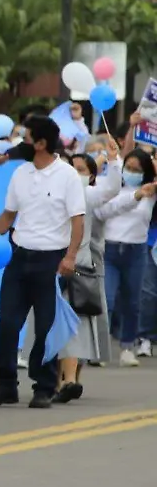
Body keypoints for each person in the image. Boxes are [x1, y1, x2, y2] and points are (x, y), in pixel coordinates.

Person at [0, 116, 85, 409]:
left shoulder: (66, 175)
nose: (21, 145)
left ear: (40, 144)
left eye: (26, 139)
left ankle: (44, 386)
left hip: (52, 261)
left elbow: (78, 222)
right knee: (7, 323)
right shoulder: (21, 174)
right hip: (19, 256)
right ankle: (5, 385)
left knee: (46, 327)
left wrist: (70, 257)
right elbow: (8, 215)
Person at [54, 147, 121, 400]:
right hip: (49, 267)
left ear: (92, 177)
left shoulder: (87, 195)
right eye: (72, 167)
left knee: (74, 326)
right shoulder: (55, 191)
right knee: (56, 326)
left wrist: (114, 159)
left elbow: (114, 188)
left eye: (81, 170)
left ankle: (69, 381)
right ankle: (61, 381)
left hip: (77, 269)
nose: (74, 173)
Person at [97, 149, 157, 367]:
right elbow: (104, 212)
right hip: (110, 249)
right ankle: (99, 349)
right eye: (128, 168)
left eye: (137, 169)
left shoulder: (151, 191)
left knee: (132, 303)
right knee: (108, 301)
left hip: (136, 251)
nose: (131, 172)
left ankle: (127, 347)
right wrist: (136, 196)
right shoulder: (113, 188)